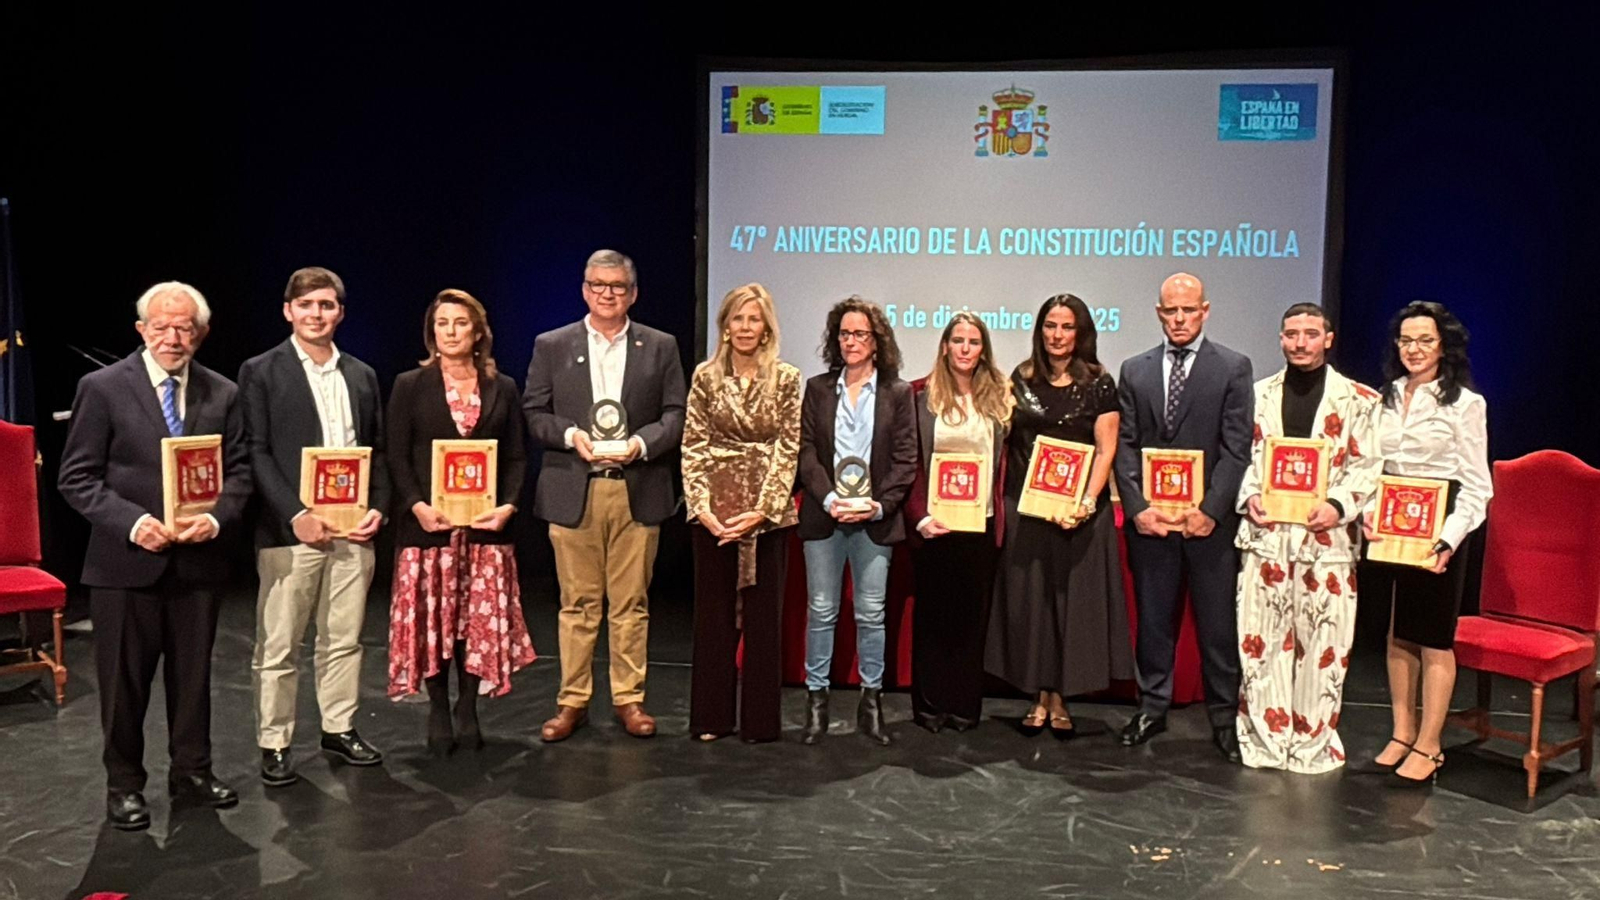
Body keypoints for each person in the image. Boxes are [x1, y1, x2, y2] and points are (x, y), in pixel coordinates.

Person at [59, 281, 252, 830]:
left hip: (198, 563)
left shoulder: (223, 392)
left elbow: (238, 473)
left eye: (185, 327)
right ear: (141, 330)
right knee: (123, 685)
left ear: (202, 333)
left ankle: (191, 771)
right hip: (125, 565)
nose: (173, 337)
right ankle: (123, 785)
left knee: (193, 679)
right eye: (162, 327)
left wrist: (214, 519)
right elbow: (76, 477)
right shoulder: (101, 387)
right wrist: (135, 524)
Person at [523, 249, 686, 742]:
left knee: (631, 603)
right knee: (577, 604)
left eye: (617, 287)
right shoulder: (553, 344)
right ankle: (572, 701)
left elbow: (676, 414)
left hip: (636, 489)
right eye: (598, 285)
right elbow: (535, 412)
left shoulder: (660, 346)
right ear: (584, 290)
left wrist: (641, 444)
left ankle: (628, 699)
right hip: (576, 488)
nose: (608, 294)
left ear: (633, 293)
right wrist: (572, 435)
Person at [239, 266, 390, 786]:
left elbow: (379, 451)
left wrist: (378, 508)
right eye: (306, 305)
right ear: (288, 311)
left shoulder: (363, 374)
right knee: (280, 644)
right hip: (291, 531)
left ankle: (339, 726)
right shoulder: (260, 371)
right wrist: (295, 514)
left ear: (340, 313)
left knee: (344, 638)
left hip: (353, 531)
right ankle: (276, 740)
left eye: (326, 305)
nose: (316, 314)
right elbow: (255, 453)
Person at [386, 289, 535, 756]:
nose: (451, 332)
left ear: (477, 332)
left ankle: (468, 705)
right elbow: (396, 454)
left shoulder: (502, 387)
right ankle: (436, 706)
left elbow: (515, 455)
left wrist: (508, 506)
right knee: (435, 621)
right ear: (432, 332)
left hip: (486, 531)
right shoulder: (410, 384)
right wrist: (416, 505)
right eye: (442, 323)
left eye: (460, 323)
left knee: (475, 622)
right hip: (428, 530)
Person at [1234, 302, 1381, 773]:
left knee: (1324, 646)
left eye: (1310, 334)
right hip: (1267, 539)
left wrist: (1337, 505)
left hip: (1328, 543)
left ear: (1329, 338)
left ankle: (1313, 742)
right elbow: (1239, 457)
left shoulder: (1361, 399)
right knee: (1261, 644)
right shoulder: (1254, 396)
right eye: (1292, 334)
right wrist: (1249, 495)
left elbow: (1368, 465)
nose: (1300, 342)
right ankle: (1266, 739)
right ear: (1280, 339)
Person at [1113, 272, 1254, 762]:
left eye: (1188, 310)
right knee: (1154, 622)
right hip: (1154, 523)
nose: (1179, 319)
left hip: (1209, 528)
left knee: (1217, 626)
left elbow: (1237, 450)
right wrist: (1137, 510)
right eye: (1170, 311)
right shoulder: (1135, 369)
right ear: (1158, 313)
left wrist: (1212, 511)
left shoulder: (1233, 368)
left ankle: (1223, 718)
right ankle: (1152, 708)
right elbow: (1125, 447)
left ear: (1205, 311)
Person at [986, 296, 1132, 736]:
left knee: (1070, 609)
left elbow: (1106, 449)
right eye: (1050, 325)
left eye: (1067, 327)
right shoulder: (1021, 378)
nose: (1057, 335)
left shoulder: (1100, 383)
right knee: (1034, 608)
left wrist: (1085, 503)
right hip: (1028, 511)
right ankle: (1036, 695)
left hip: (1079, 514)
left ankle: (1062, 698)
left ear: (1081, 332)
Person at [1362, 301, 1491, 786]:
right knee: (1398, 631)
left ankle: (1430, 744)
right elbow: (1372, 466)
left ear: (1444, 346)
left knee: (1434, 636)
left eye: (1425, 341)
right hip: (1391, 523)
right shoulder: (1385, 396)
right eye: (1406, 340)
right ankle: (1401, 731)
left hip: (1441, 521)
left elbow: (1479, 487)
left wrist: (1448, 540)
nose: (1414, 350)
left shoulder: (1464, 403)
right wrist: (1368, 516)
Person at [682, 283, 801, 743]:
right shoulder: (705, 377)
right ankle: (711, 718)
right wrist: (703, 509)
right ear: (725, 326)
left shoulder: (787, 378)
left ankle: (759, 722)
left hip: (767, 517)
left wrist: (763, 511)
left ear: (766, 326)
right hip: (714, 512)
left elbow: (788, 446)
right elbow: (693, 444)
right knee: (713, 619)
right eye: (738, 318)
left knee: (763, 620)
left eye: (754, 319)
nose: (746, 327)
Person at [796, 297, 917, 746]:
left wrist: (877, 506)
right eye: (844, 334)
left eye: (860, 334)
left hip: (873, 522)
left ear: (876, 340)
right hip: (824, 518)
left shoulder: (897, 393)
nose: (851, 341)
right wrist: (828, 498)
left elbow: (906, 460)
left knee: (871, 614)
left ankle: (871, 704)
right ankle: (817, 704)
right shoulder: (817, 388)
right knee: (822, 612)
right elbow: (806, 451)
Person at [904, 312, 1013, 733]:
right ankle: (930, 706)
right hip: (934, 526)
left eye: (973, 341)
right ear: (945, 346)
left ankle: (965, 706)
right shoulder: (920, 395)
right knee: (933, 619)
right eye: (958, 341)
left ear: (983, 349)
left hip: (980, 525)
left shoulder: (1000, 398)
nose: (965, 349)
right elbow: (911, 463)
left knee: (971, 620)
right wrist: (920, 517)